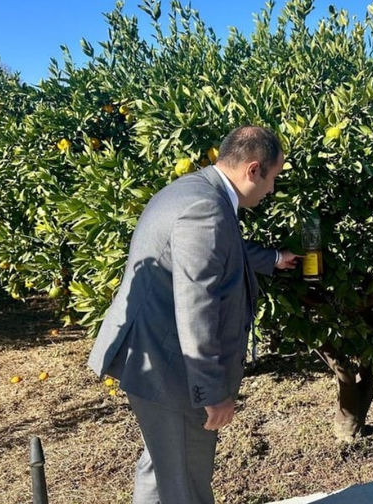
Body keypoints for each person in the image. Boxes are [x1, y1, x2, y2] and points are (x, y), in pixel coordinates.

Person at [87, 126, 299, 504]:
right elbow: (195, 303)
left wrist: (273, 259)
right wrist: (210, 391)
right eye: (274, 178)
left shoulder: (194, 190)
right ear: (253, 170)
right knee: (186, 482)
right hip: (174, 370)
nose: (272, 190)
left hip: (149, 354)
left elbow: (212, 249)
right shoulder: (207, 208)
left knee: (165, 467)